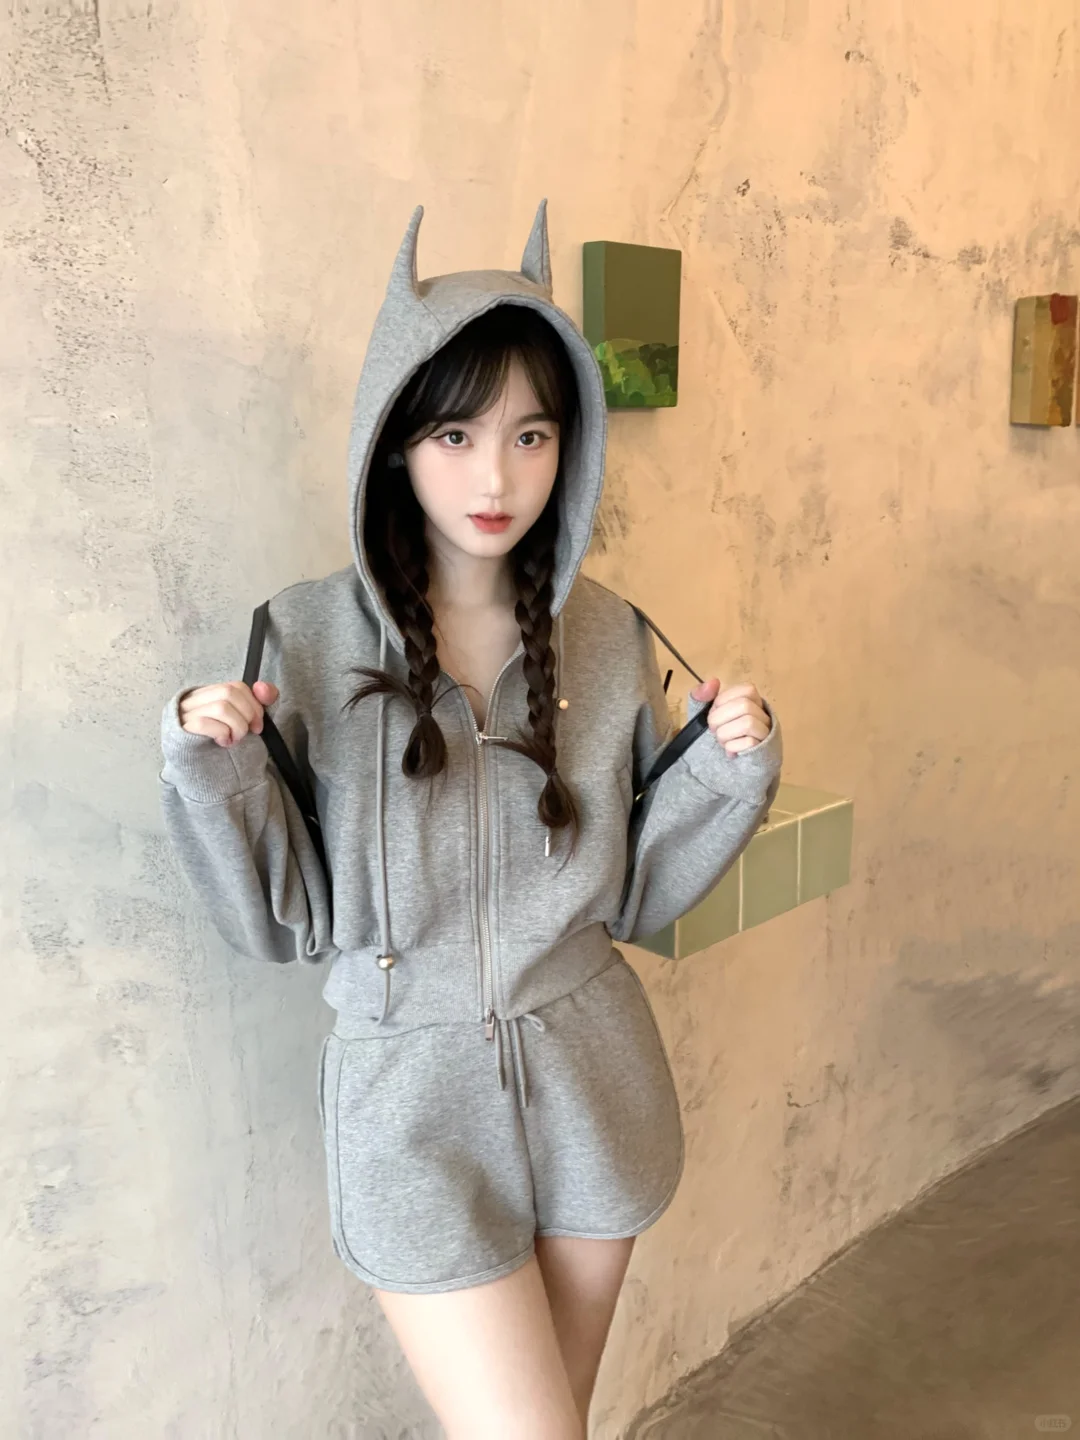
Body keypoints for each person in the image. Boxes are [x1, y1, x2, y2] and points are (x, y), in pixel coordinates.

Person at [158, 200, 782, 1440]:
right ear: (396, 441)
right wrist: (205, 761)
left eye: (531, 435)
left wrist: (727, 768)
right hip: (410, 1104)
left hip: (592, 1079)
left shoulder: (608, 635)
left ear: (569, 447)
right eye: (456, 433)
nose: (497, 477)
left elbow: (640, 893)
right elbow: (280, 921)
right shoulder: (307, 636)